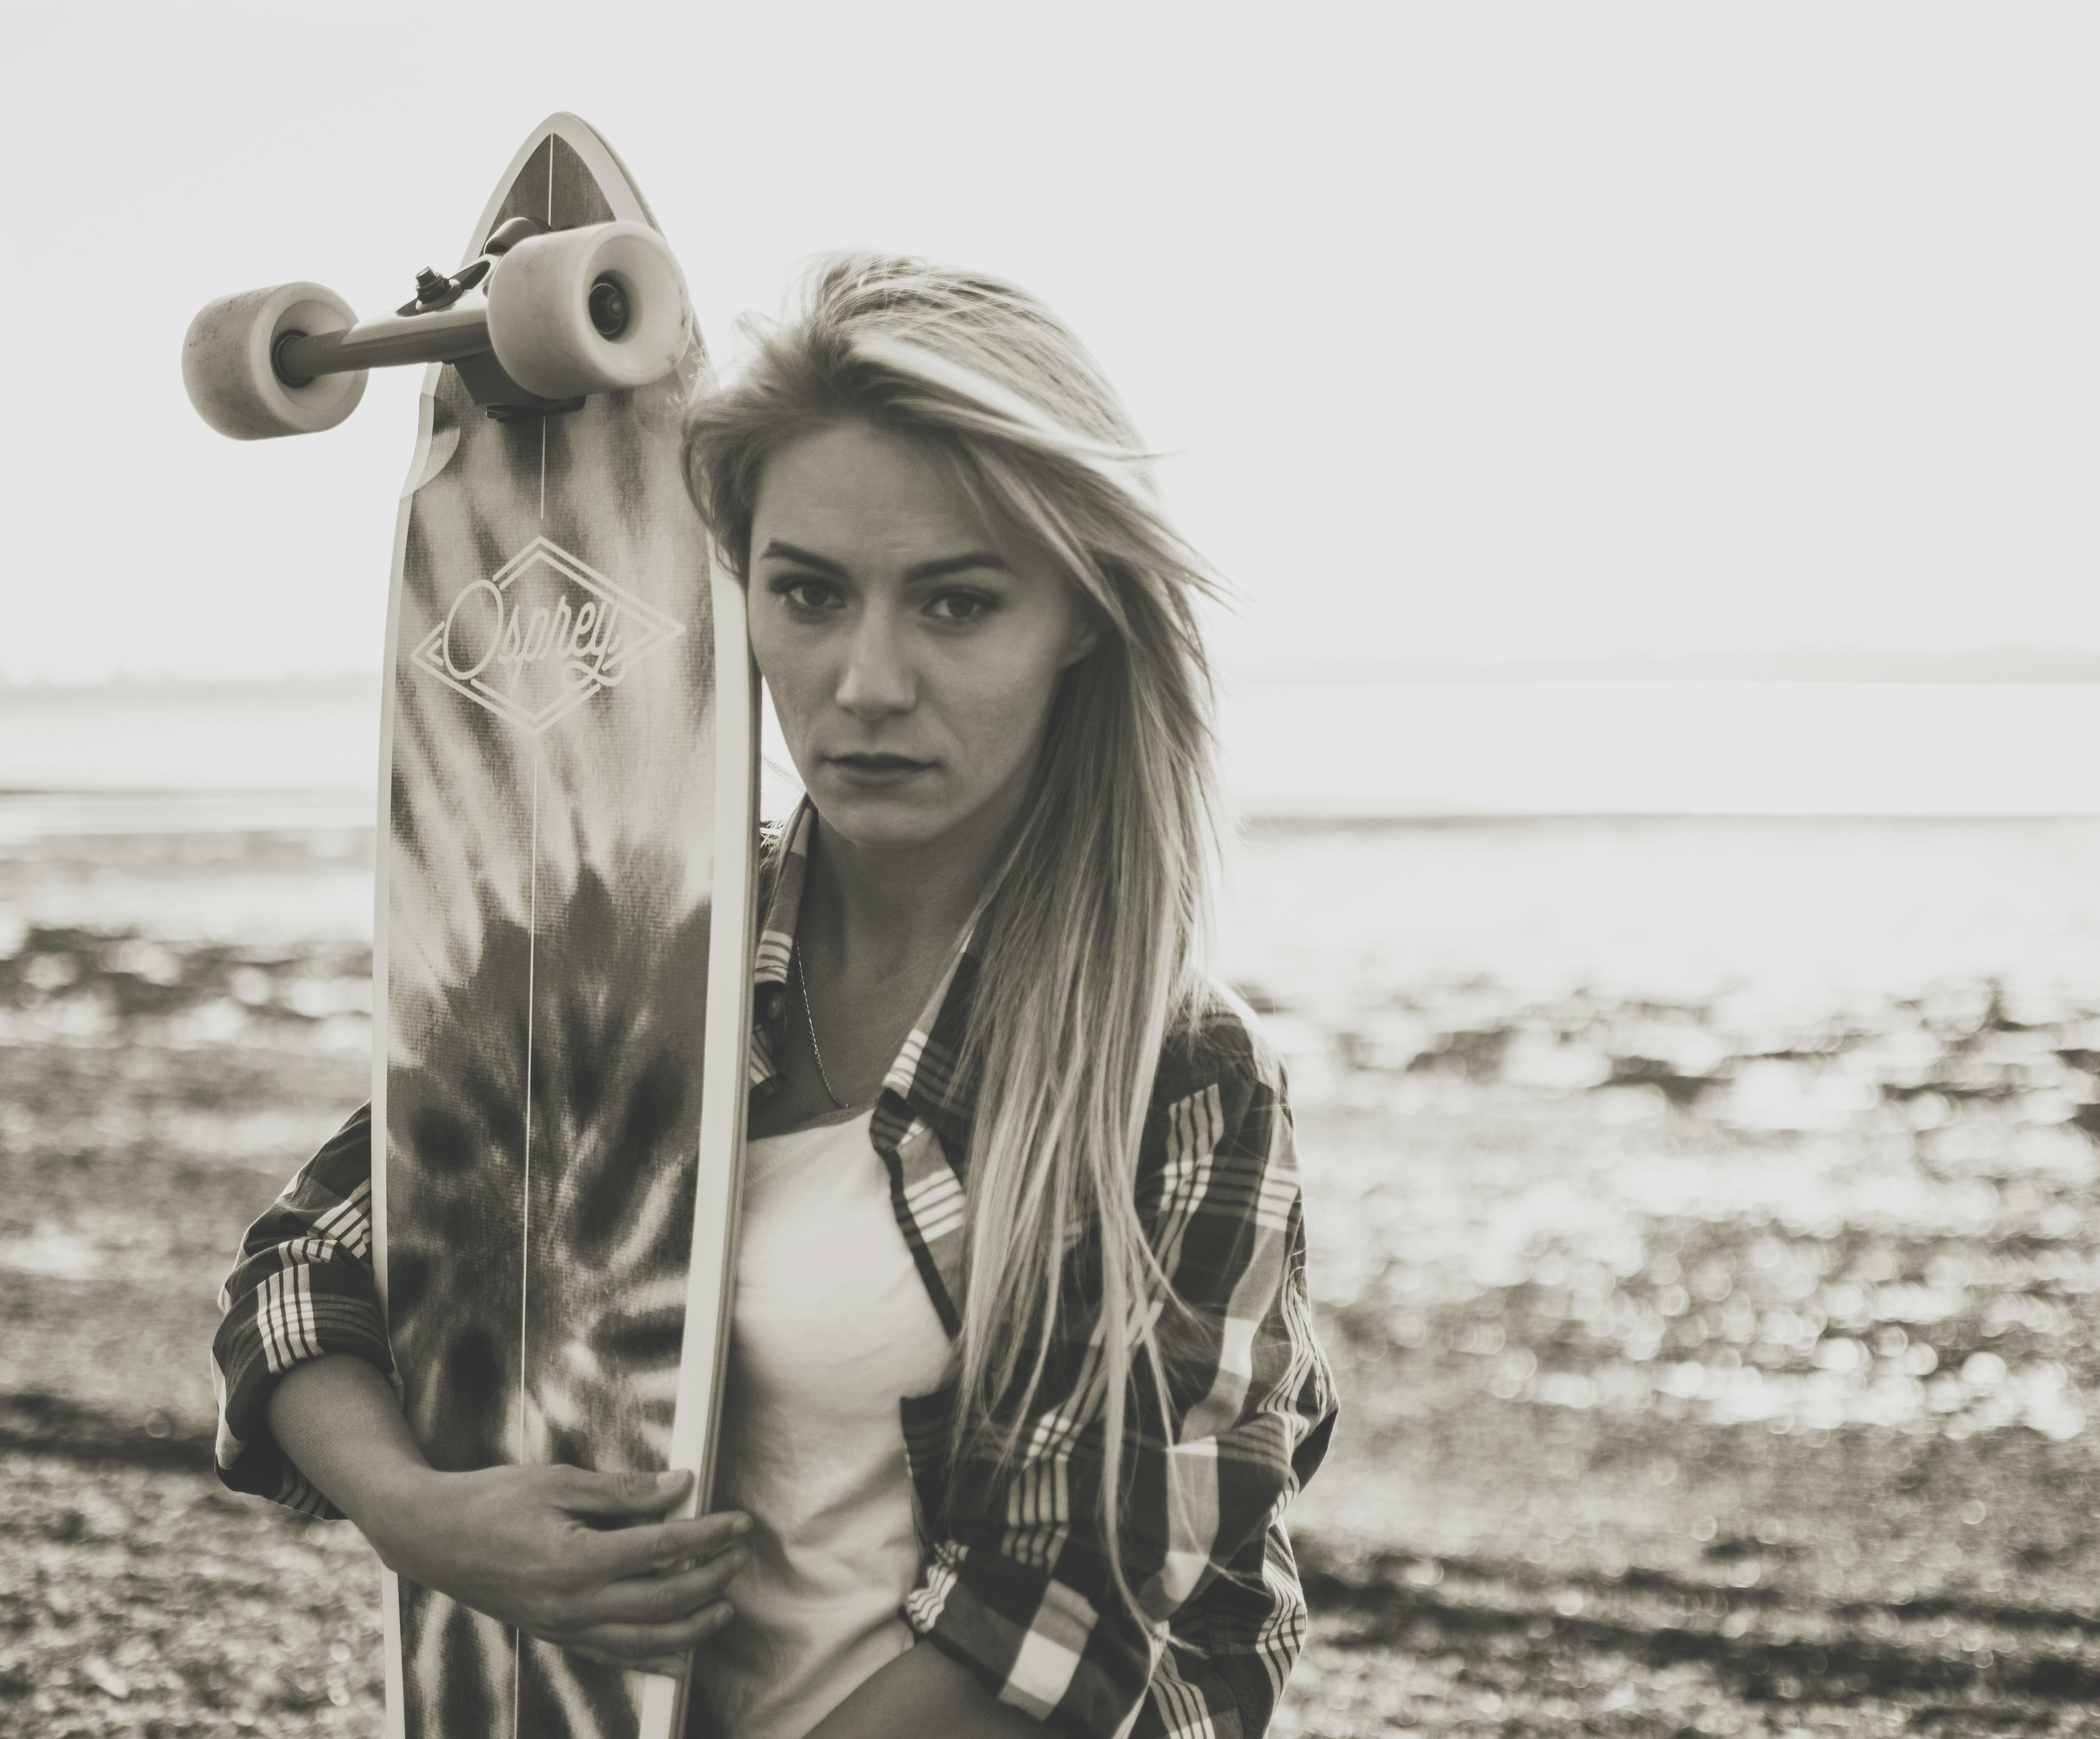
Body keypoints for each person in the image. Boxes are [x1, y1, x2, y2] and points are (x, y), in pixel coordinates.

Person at [210, 253, 1337, 1739]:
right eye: (808, 593)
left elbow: (1054, 1631)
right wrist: (421, 1517)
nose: (867, 680)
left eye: (956, 604)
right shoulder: (640, 942)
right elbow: (308, 1268)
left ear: (1079, 614)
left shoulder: (1170, 1075)